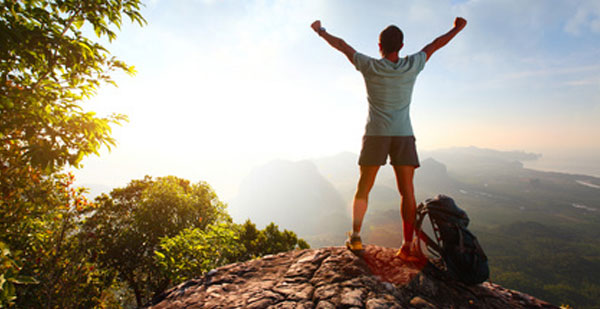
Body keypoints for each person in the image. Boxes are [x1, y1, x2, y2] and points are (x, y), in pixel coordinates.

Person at [311, 17, 467, 261]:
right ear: (402, 46)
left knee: (364, 187)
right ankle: (407, 245)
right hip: (403, 133)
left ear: (379, 45)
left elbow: (342, 45)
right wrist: (457, 28)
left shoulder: (369, 66)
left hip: (375, 134)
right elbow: (435, 44)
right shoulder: (412, 65)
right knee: (407, 192)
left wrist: (320, 30)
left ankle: (355, 237)